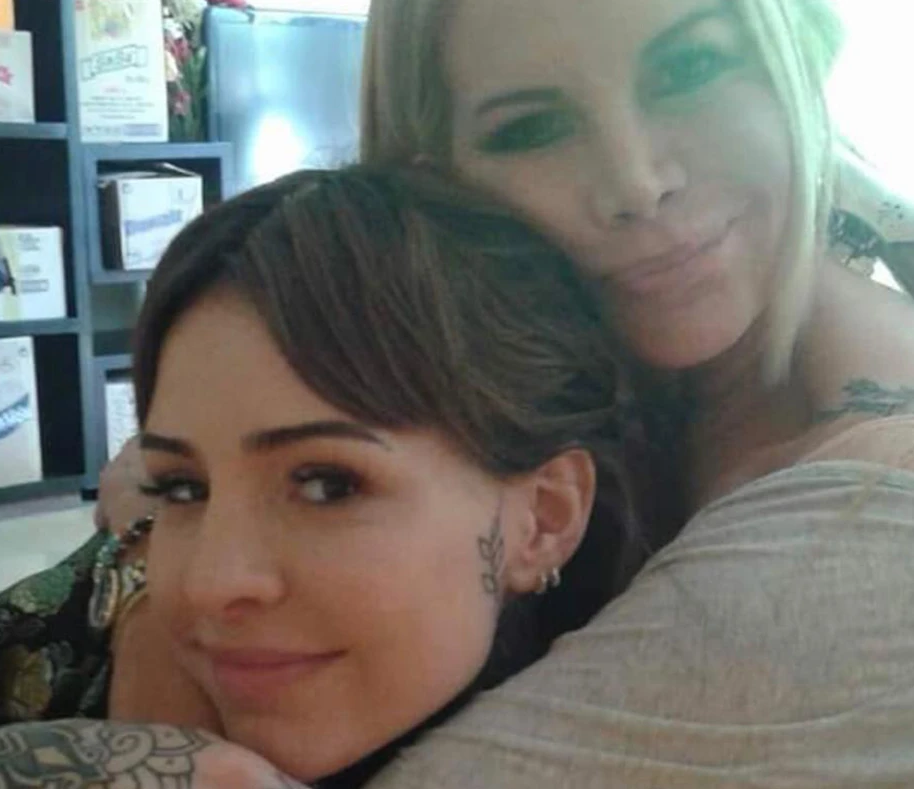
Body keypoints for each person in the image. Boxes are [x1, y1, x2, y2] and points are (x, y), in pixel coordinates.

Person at [95, 0, 914, 785]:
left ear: (800, 59)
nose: (637, 181)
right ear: (433, 179)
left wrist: (157, 673)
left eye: (692, 66)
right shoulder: (518, 384)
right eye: (532, 127)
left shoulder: (853, 521)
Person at [0, 167, 666, 787]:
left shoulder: (649, 716)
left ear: (544, 518)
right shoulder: (89, 636)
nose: (208, 584)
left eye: (327, 484)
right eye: (182, 485)